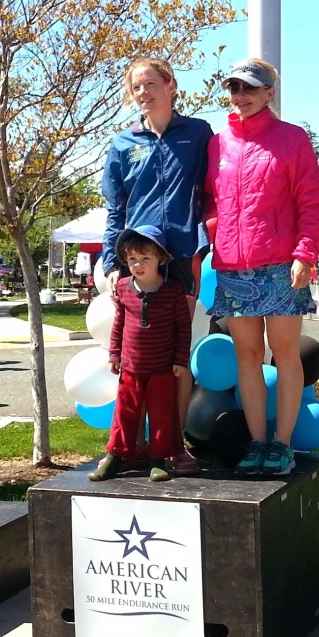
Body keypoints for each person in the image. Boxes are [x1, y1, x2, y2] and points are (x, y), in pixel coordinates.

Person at [205, 58, 319, 477]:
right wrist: (213, 233)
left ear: (269, 93)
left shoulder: (292, 139)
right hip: (233, 267)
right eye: (235, 89)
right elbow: (209, 201)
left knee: (285, 353)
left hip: (280, 264)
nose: (241, 97)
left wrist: (304, 254)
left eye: (250, 89)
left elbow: (312, 203)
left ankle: (284, 443)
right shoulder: (219, 143)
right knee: (248, 356)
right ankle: (258, 443)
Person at [101, 57, 212, 475]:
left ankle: (172, 446)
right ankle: (130, 445)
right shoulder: (123, 144)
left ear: (171, 86)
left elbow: (217, 188)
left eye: (150, 84)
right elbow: (116, 208)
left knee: (175, 352)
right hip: (138, 256)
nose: (143, 93)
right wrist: (114, 261)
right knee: (136, 355)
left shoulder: (198, 133)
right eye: (135, 87)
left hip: (182, 253)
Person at [89, 226, 191, 482]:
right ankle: (115, 456)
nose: (138, 264)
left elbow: (183, 328)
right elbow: (119, 324)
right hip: (130, 368)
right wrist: (115, 355)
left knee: (162, 415)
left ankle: (158, 460)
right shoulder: (123, 288)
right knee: (124, 413)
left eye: (146, 258)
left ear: (161, 259)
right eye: (133, 259)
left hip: (163, 369)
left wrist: (180, 360)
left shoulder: (172, 291)